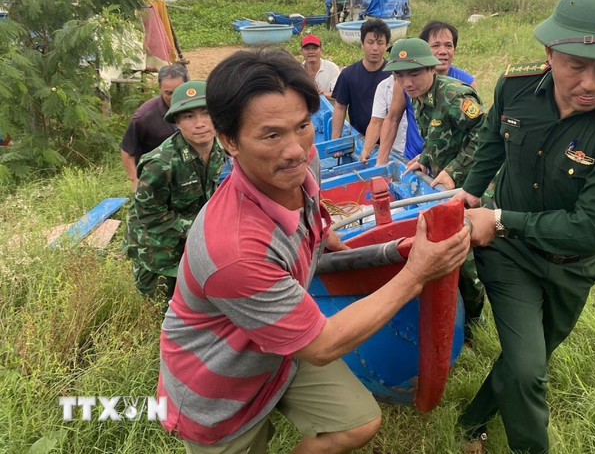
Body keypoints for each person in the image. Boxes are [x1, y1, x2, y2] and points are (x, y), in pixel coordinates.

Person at [158, 48, 471, 454]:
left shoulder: (303, 166)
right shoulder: (233, 250)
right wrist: (415, 274)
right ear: (230, 141)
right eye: (271, 134)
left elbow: (312, 205)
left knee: (356, 423)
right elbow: (321, 345)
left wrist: (323, 234)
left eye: (303, 126)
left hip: (278, 355)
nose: (295, 149)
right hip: (218, 386)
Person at [456, 0, 595, 454]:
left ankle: (470, 421)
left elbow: (594, 228)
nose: (591, 83)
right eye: (577, 66)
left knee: (526, 359)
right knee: (530, 369)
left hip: (573, 263)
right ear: (550, 53)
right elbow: (493, 136)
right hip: (508, 254)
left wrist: (500, 217)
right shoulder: (514, 86)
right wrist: (470, 191)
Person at [384, 37, 487, 340]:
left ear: (431, 69)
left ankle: (474, 321)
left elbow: (485, 137)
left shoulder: (456, 96)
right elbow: (435, 134)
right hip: (444, 182)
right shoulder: (418, 97)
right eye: (400, 75)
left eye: (413, 74)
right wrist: (425, 158)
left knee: (466, 255)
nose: (407, 81)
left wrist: (453, 172)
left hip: (474, 181)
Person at [123, 80, 227, 305]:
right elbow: (149, 216)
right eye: (189, 117)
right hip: (157, 249)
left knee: (197, 307)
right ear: (177, 122)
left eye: (205, 113)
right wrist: (201, 232)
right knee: (162, 312)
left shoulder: (220, 151)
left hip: (191, 244)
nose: (199, 123)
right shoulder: (161, 163)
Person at [377, 20, 475, 166]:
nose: (407, 83)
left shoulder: (460, 90)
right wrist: (381, 164)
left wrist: (453, 171)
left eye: (448, 45)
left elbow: (480, 135)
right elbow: (392, 119)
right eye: (436, 45)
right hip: (417, 160)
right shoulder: (411, 86)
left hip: (452, 167)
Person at [120, 63, 189, 190]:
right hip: (157, 180)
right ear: (159, 89)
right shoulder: (143, 117)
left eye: (178, 91)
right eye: (168, 93)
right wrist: (135, 179)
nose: (174, 98)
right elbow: (127, 150)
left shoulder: (198, 108)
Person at [330, 18, 391, 137]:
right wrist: (335, 140)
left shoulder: (393, 75)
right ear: (362, 44)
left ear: (386, 45)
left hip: (388, 139)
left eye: (380, 43)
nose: (375, 48)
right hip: (359, 138)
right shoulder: (348, 74)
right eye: (370, 42)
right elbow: (340, 108)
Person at [358, 75, 408, 163]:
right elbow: (377, 122)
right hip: (395, 150)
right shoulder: (384, 86)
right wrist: (366, 150)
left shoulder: (416, 85)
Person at [300, 33, 340, 98]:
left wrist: (324, 94)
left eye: (315, 48)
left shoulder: (332, 68)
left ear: (321, 50)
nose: (311, 52)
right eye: (307, 49)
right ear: (301, 51)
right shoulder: (297, 70)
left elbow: (339, 94)